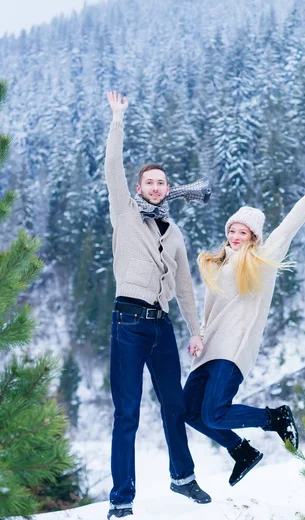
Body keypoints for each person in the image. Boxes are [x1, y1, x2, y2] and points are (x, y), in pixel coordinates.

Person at [183, 164, 305, 487]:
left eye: (243, 233)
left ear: (253, 237)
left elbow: (288, 228)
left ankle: (273, 418)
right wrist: (199, 336)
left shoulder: (261, 260)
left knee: (213, 413)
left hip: (233, 349)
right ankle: (242, 451)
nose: (235, 237)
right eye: (232, 231)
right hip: (207, 351)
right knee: (188, 412)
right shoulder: (219, 265)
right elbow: (209, 313)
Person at [104, 91, 211, 519]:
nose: (156, 187)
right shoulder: (124, 213)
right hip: (128, 322)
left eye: (161, 182)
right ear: (138, 187)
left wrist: (197, 331)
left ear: (168, 189)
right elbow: (112, 166)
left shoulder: (176, 232)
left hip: (161, 326)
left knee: (175, 405)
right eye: (149, 181)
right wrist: (118, 119)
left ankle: (182, 478)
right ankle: (121, 500)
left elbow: (185, 286)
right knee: (126, 412)